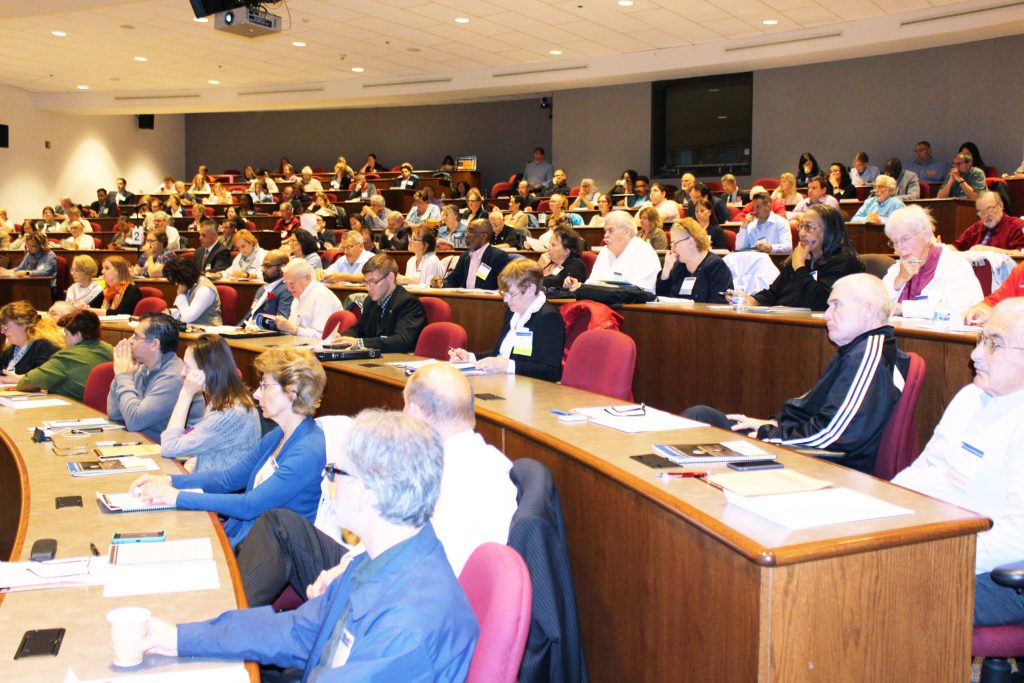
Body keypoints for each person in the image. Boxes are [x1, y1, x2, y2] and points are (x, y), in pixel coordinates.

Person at [142, 409, 478, 680]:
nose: (328, 481)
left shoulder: (407, 624)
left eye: (335, 472)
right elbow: (297, 631)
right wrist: (180, 638)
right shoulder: (377, 562)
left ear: (365, 494)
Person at [239, 364, 517, 608]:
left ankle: (229, 613)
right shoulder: (489, 462)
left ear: (415, 411)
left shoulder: (445, 478)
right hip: (398, 579)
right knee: (280, 524)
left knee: (278, 525)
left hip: (395, 596)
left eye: (405, 407)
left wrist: (343, 572)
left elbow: (404, 561)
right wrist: (344, 566)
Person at [683, 274, 910, 473]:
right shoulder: (856, 350)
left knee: (696, 426)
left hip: (816, 467)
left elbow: (832, 435)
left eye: (836, 305)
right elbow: (812, 408)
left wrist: (767, 435)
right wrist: (771, 423)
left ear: (868, 310)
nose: (826, 315)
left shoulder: (867, 357)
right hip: (797, 448)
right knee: (702, 416)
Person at [891, 299, 1024, 627]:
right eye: (981, 339)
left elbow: (1016, 539)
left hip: (998, 572)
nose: (975, 354)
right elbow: (925, 471)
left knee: (879, 590)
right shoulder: (970, 397)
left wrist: (933, 555)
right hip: (944, 541)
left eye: (994, 343)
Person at [133, 346, 325, 548]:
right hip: (249, 538)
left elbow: (249, 505)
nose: (257, 394)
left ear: (292, 392)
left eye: (265, 386)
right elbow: (227, 479)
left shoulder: (308, 451)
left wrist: (176, 496)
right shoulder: (279, 435)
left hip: (272, 551)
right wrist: (170, 480)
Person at [450, 259, 565, 381]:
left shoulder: (548, 318)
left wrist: (508, 365)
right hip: (504, 380)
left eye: (511, 294)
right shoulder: (513, 312)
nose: (505, 300)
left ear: (531, 290)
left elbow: (551, 371)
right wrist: (470, 357)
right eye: (503, 294)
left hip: (528, 387)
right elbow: (500, 353)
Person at [160, 334, 260, 474]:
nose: (182, 373)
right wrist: (190, 467)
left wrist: (185, 395)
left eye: (187, 367)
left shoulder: (230, 413)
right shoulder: (221, 400)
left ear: (208, 370)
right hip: (205, 480)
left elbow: (169, 447)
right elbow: (206, 449)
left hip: (215, 487)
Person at [737, 204, 864, 311]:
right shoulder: (802, 256)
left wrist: (799, 266)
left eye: (809, 227)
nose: (802, 233)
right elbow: (774, 292)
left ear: (829, 230)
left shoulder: (844, 261)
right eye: (801, 226)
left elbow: (820, 302)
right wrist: (753, 300)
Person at [107, 313, 204, 442]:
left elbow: (134, 422)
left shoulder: (173, 378)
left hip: (169, 452)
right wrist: (121, 376)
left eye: (136, 336)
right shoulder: (144, 368)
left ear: (154, 344)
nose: (130, 340)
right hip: (145, 444)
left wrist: (123, 375)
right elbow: (114, 413)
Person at [882, 204, 982, 319]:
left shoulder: (956, 266)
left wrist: (904, 308)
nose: (899, 248)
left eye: (905, 239)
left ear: (927, 235)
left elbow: (958, 309)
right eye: (895, 242)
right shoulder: (896, 270)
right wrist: (897, 283)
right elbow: (878, 306)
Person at [327, 255, 427, 352]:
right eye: (366, 282)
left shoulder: (408, 303)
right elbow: (359, 330)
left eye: (373, 282)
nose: (368, 288)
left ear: (390, 278)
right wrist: (343, 338)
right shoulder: (370, 301)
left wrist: (359, 343)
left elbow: (402, 341)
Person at [13, 310, 112, 401]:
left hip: (78, 409)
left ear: (77, 335)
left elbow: (27, 382)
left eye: (66, 334)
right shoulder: (110, 349)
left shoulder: (67, 356)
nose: (64, 339)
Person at [564, 210, 661, 293]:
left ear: (627, 231)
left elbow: (639, 291)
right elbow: (593, 282)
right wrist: (579, 285)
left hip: (633, 307)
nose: (605, 235)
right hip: (604, 303)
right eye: (605, 231)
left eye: (610, 230)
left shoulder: (644, 252)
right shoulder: (605, 252)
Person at [656, 218, 732, 303]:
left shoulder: (715, 267)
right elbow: (661, 300)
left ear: (690, 242)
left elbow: (719, 303)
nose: (672, 249)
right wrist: (666, 272)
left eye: (675, 243)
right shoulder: (677, 266)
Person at [0, 301, 63, 384]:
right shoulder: (10, 349)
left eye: (5, 327)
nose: (2, 332)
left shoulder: (45, 346)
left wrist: (21, 379)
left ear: (23, 324)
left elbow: (48, 378)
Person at [276, 259, 342, 338]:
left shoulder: (321, 296)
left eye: (292, 283)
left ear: (307, 278)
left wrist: (293, 329)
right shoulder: (298, 296)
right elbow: (291, 329)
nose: (289, 289)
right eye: (287, 284)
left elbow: (324, 337)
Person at [440, 218, 511, 290]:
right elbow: (453, 280)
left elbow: (505, 286)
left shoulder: (498, 257)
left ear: (484, 236)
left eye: (471, 231)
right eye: (466, 231)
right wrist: (440, 284)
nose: (466, 235)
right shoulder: (465, 256)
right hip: (465, 296)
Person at [952, 191, 1024, 254]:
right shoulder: (975, 228)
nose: (986, 215)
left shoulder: (1017, 226)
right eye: (981, 212)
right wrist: (946, 249)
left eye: (989, 209)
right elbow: (957, 246)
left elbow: (1021, 253)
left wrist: (990, 251)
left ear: (1001, 205)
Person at [164, 257, 223, 326]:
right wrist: (171, 313)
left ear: (184, 275)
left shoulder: (204, 289)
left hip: (210, 330)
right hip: (194, 329)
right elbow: (185, 311)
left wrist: (181, 295)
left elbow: (188, 318)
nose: (176, 284)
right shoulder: (190, 284)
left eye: (177, 280)